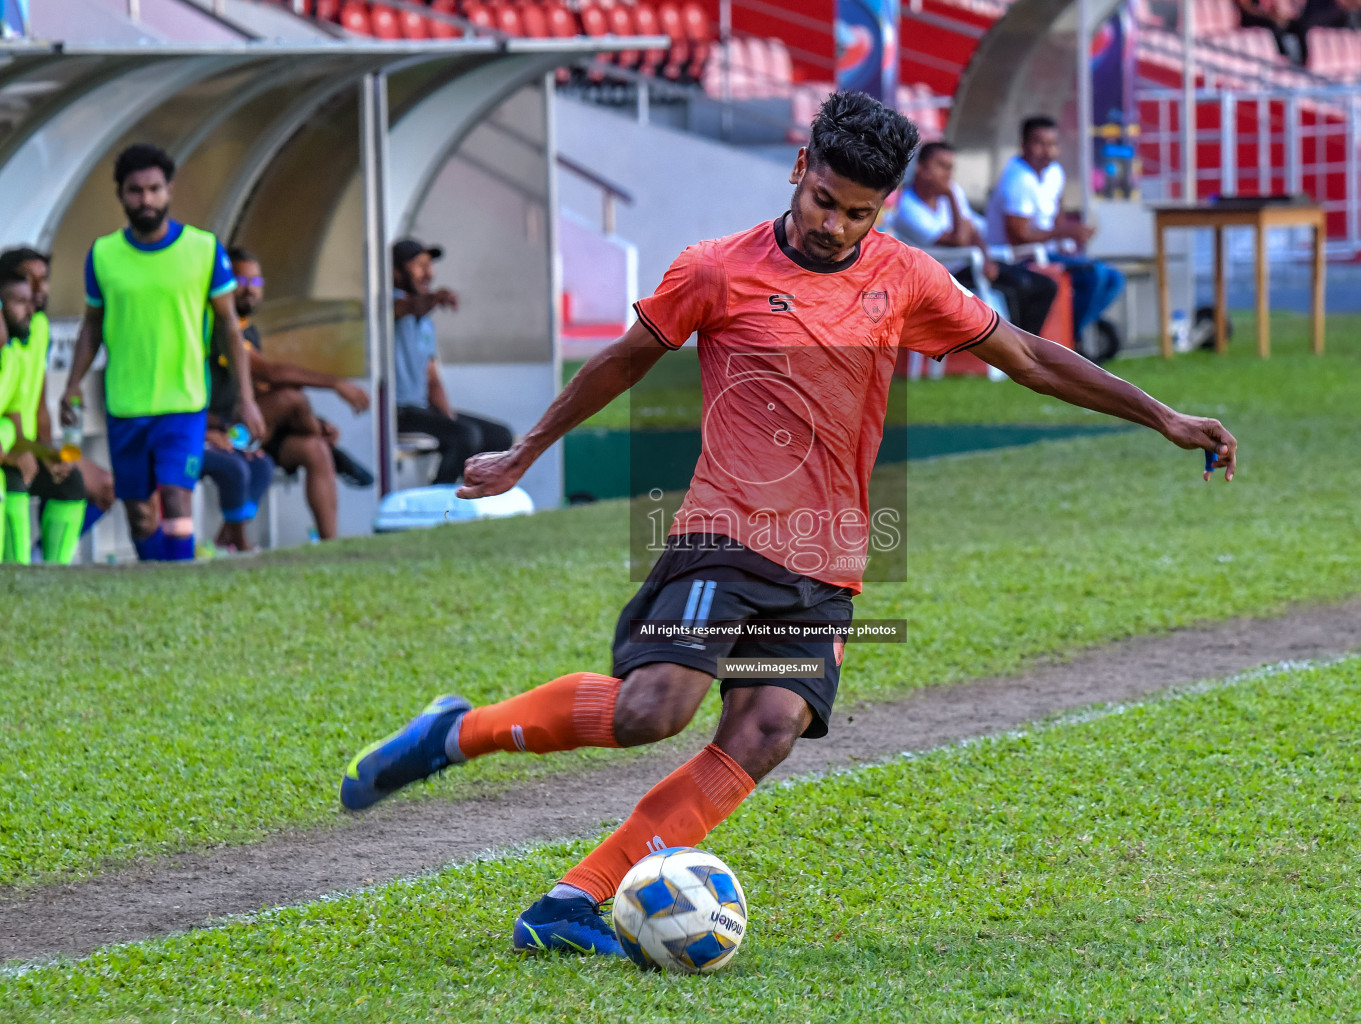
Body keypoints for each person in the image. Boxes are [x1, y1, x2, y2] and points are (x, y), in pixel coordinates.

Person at [339, 91, 1237, 959]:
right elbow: (621, 362)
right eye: (822, 201)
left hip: (828, 565)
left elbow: (1030, 357)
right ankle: (459, 730)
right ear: (799, 167)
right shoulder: (715, 270)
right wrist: (524, 451)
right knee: (655, 709)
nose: (834, 226)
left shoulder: (909, 279)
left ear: (882, 208)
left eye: (857, 213)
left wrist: (1161, 415)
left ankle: (575, 899)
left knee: (766, 728)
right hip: (723, 539)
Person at [60, 143, 264, 564]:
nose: (146, 199)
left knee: (175, 497)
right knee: (139, 512)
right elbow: (92, 326)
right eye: (135, 190)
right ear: (120, 195)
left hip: (184, 401)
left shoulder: (204, 250)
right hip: (126, 402)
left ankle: (180, 581)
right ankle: (158, 579)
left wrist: (246, 398)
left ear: (169, 190)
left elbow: (229, 326)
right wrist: (71, 384)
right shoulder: (103, 255)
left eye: (154, 189)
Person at [208, 247, 372, 544]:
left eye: (256, 283)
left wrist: (314, 421)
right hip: (218, 431)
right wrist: (336, 383)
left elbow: (260, 388)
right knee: (290, 398)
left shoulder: (247, 329)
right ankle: (227, 541)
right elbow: (271, 374)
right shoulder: (218, 327)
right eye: (241, 281)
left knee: (314, 449)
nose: (249, 290)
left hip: (253, 432)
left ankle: (329, 546)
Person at [0, 248, 111, 565]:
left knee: (74, 479)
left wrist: (45, 454)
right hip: (6, 450)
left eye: (41, 281)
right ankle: (16, 570)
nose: (36, 292)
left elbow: (24, 412)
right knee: (13, 474)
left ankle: (49, 569)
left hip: (15, 443)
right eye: (25, 283)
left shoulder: (33, 332)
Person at [985, 116, 1125, 350]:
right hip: (1019, 257)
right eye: (1040, 143)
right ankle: (1069, 342)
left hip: (1047, 251)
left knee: (1114, 279)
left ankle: (1071, 333)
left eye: (1052, 144)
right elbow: (1018, 237)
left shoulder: (1054, 173)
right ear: (1024, 144)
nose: (1047, 151)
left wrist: (1070, 234)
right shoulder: (1017, 179)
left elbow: (1057, 216)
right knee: (1096, 275)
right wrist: (1064, 232)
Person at [890, 141, 1057, 335]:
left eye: (951, 168)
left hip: (970, 266)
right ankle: (1017, 353)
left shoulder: (951, 191)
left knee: (1045, 285)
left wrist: (986, 260)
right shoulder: (908, 208)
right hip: (942, 276)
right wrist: (951, 197)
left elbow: (973, 231)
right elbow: (959, 240)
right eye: (942, 166)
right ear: (922, 169)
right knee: (1017, 289)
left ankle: (1030, 348)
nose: (948, 174)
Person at [392, 238, 513, 484]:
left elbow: (431, 378)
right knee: (465, 436)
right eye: (418, 265)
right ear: (395, 271)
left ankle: (472, 503)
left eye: (429, 265)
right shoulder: (386, 304)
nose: (427, 272)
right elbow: (409, 306)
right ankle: (440, 504)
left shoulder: (425, 322)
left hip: (421, 410)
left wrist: (447, 418)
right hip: (396, 411)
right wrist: (436, 299)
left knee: (499, 437)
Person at [0, 270, 37, 554]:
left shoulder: (12, 356)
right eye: (19, 302)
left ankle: (21, 571)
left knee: (70, 481)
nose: (30, 310)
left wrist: (32, 455)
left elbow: (14, 419)